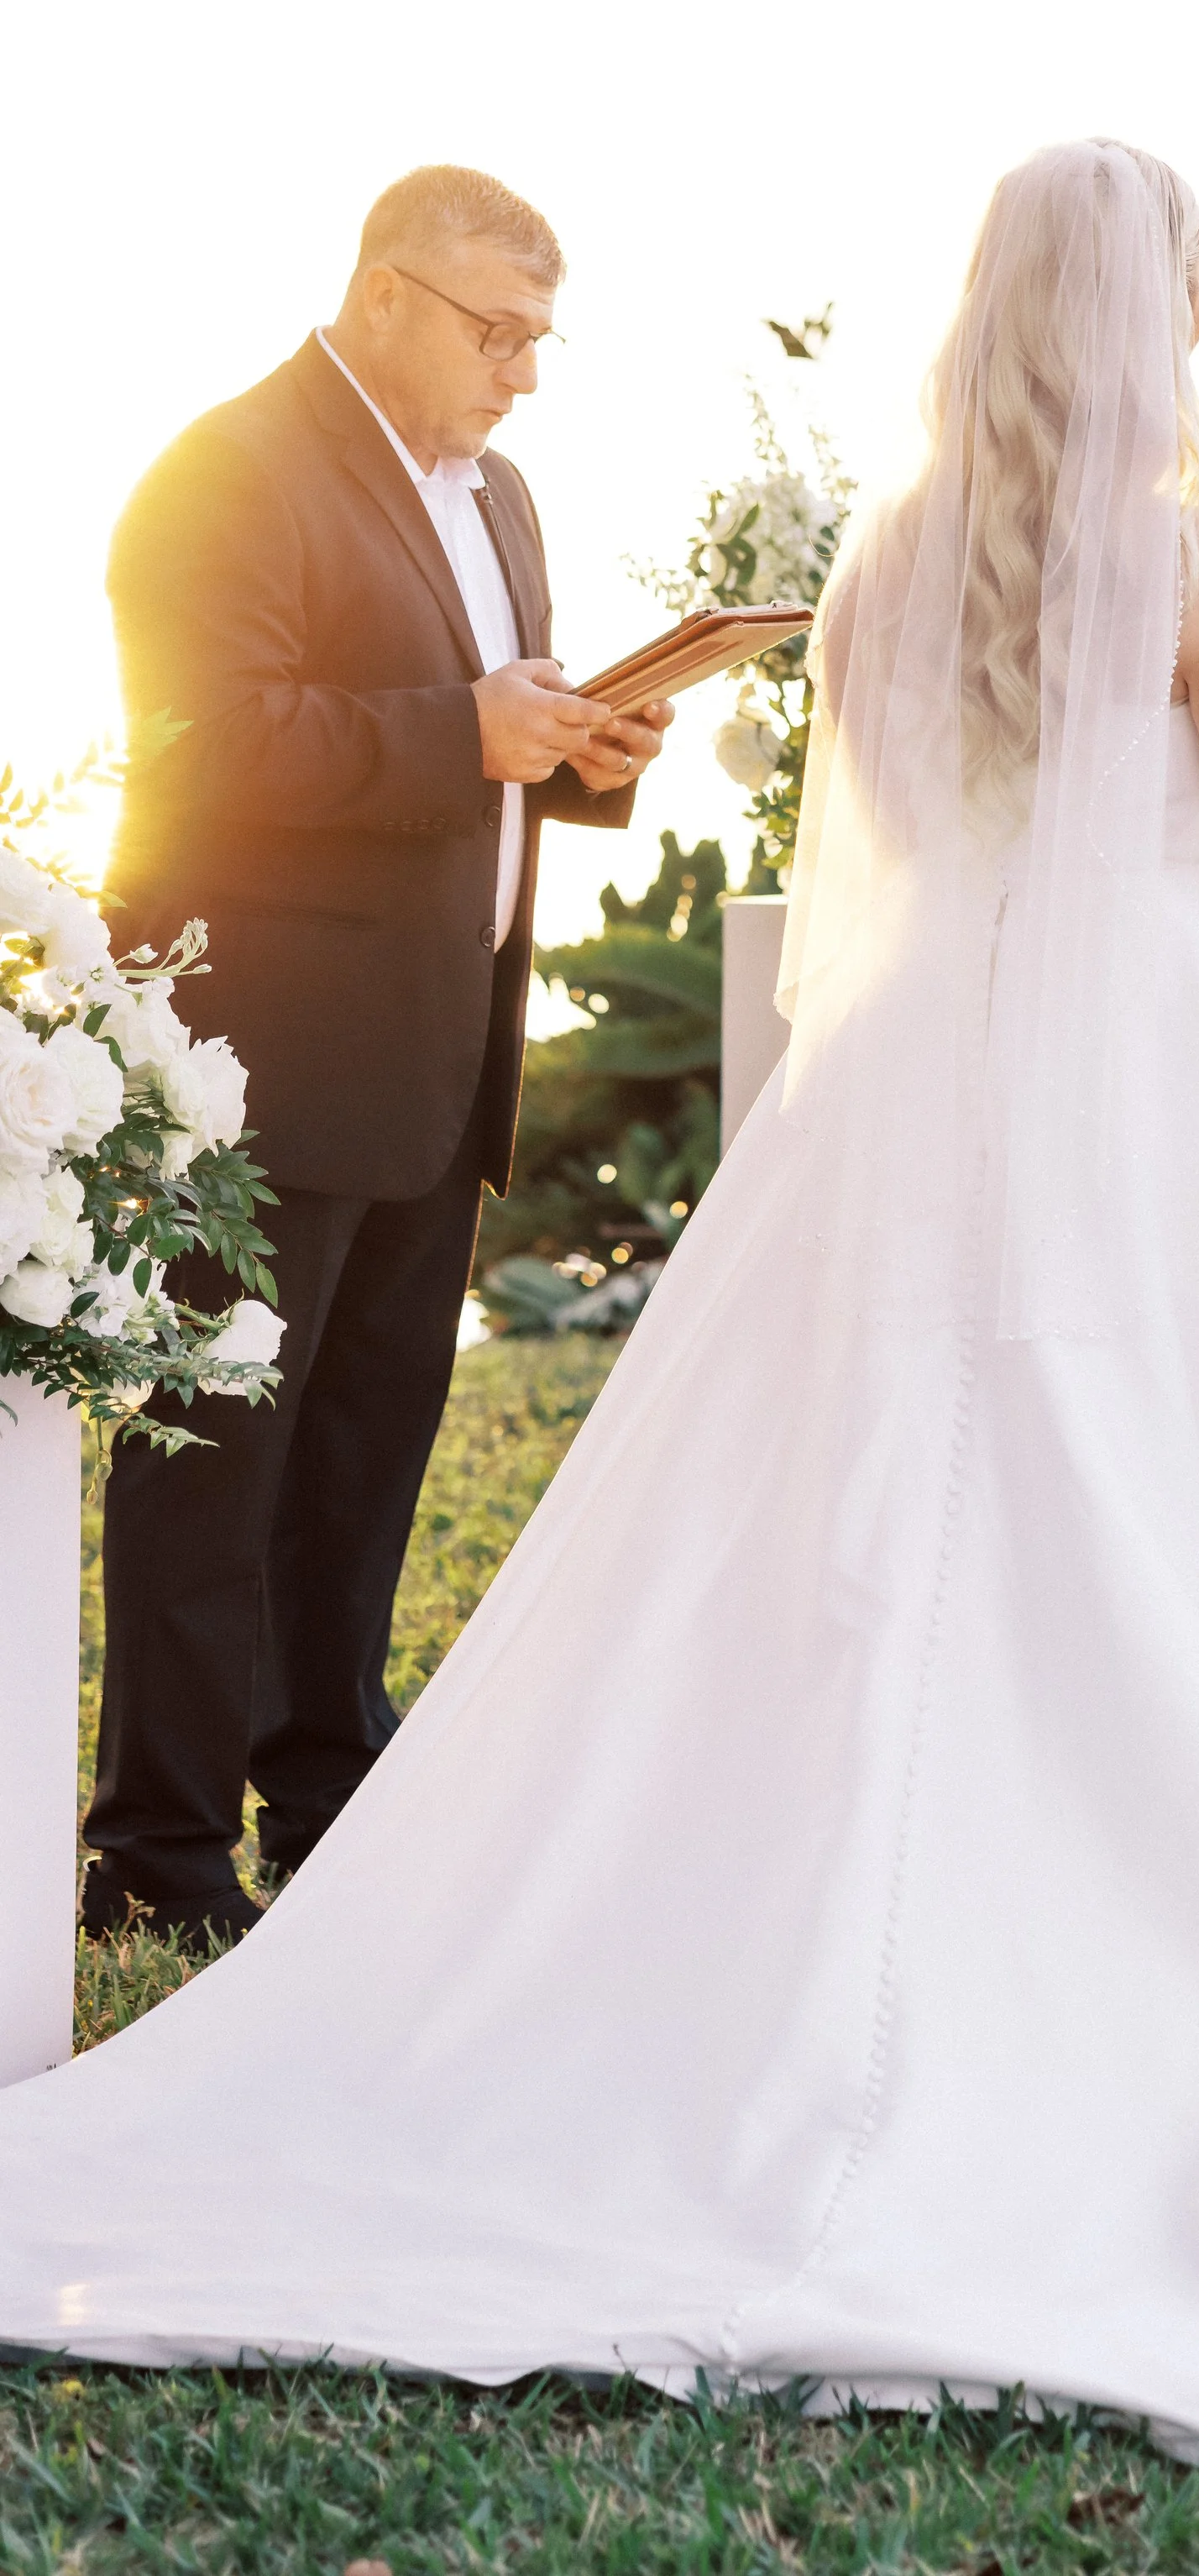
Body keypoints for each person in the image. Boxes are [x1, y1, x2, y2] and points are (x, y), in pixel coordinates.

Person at [0, 144, 1199, 2475]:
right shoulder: (1195, 559)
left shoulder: (881, 559)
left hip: (902, 1100)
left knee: (857, 1497)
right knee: (1129, 1487)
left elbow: (887, 855)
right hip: (1145, 1083)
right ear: (1149, 312)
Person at [83, 167, 671, 1954]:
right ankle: (162, 1851)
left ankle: (326, 1786)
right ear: (388, 292)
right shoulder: (224, 470)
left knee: (364, 1455)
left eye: (540, 342)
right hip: (255, 1057)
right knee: (213, 1466)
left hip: (437, 1058)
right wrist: (465, 728)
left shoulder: (499, 491)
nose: (522, 376)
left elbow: (487, 734)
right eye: (499, 334)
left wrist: (589, 745)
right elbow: (204, 743)